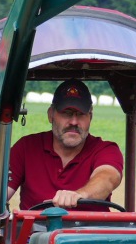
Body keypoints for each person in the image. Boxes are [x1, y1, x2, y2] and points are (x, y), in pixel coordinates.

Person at [7, 79, 122, 211]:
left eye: (81, 114)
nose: (74, 122)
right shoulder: (26, 148)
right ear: (51, 115)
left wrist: (80, 195)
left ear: (90, 117)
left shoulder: (105, 150)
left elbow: (107, 178)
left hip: (88, 231)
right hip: (34, 230)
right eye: (66, 113)